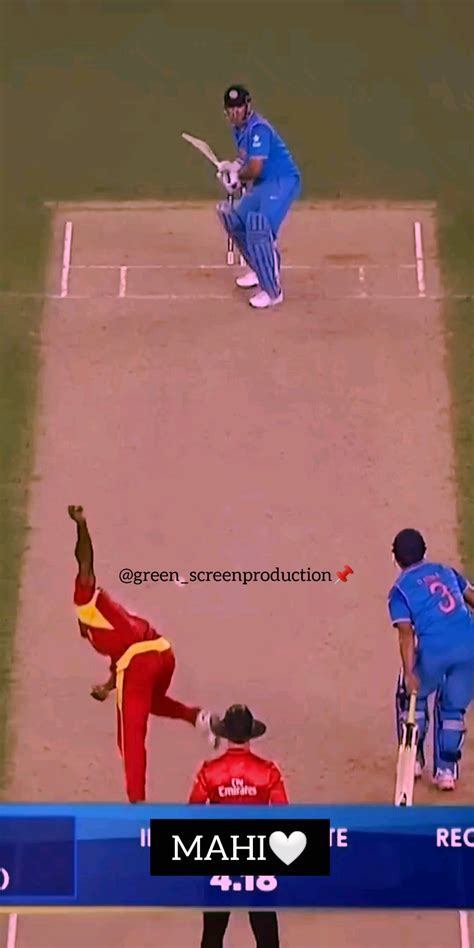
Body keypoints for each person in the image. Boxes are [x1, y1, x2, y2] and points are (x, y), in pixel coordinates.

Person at [68, 505, 219, 803]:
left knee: (130, 736)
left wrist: (81, 525)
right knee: (150, 702)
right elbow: (120, 660)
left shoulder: (85, 601)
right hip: (162, 654)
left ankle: (136, 803)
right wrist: (107, 687)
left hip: (140, 663)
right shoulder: (105, 625)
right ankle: (197, 717)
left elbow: (84, 560)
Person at [189, 704, 287, 948]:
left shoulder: (209, 771)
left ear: (225, 734)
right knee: (265, 928)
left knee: (213, 930)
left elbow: (193, 812)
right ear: (251, 734)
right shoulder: (268, 771)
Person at [389, 528, 474, 791]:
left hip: (434, 651)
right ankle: (446, 772)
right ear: (425, 552)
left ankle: (413, 760)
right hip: (470, 647)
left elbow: (406, 634)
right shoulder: (447, 572)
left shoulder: (400, 591)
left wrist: (410, 673)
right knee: (453, 709)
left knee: (412, 696)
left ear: (395, 558)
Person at [216, 85, 301, 310]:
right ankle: (259, 268)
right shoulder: (239, 130)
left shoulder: (259, 129)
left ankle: (273, 292)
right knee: (233, 218)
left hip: (282, 180)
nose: (235, 112)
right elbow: (244, 160)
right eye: (231, 108)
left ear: (247, 106)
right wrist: (231, 169)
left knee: (258, 224)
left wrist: (237, 177)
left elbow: (254, 168)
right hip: (264, 184)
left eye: (239, 107)